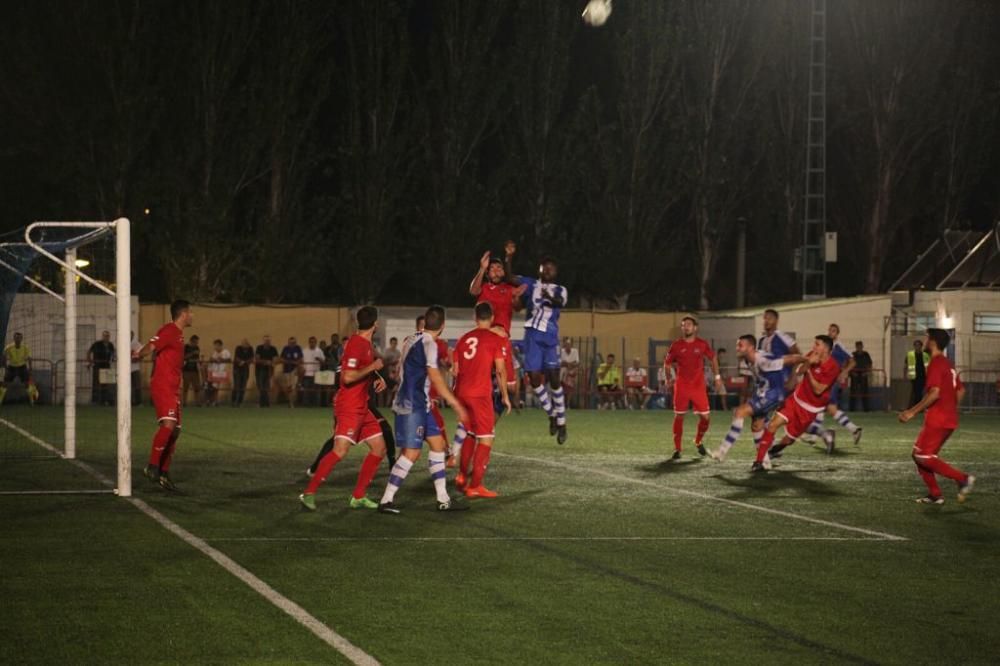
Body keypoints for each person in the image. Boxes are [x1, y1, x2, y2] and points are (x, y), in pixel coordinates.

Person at [377, 305, 470, 514]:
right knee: (412, 453)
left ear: (425, 322)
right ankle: (386, 500)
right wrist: (455, 403)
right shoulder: (430, 344)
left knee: (438, 445)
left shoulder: (411, 338)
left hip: (421, 403)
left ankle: (443, 499)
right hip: (412, 404)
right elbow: (435, 376)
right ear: (443, 326)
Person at [299, 307, 389, 511]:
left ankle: (358, 496)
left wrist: (376, 377)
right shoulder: (356, 344)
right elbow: (347, 377)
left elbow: (361, 370)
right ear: (375, 324)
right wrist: (373, 368)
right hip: (349, 406)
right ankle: (309, 493)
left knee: (379, 448)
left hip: (362, 406)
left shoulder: (366, 343)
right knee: (339, 451)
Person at [899, 328, 976, 505]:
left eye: (926, 337)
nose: (924, 340)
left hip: (939, 418)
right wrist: (949, 407)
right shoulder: (947, 363)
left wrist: (911, 412)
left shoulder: (936, 362)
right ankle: (935, 494)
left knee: (924, 456)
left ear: (932, 341)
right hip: (946, 418)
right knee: (918, 454)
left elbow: (934, 393)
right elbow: (961, 390)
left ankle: (963, 479)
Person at [505, 241, 569, 443]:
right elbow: (509, 278)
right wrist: (508, 257)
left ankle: (562, 422)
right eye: (545, 268)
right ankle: (551, 414)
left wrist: (548, 294)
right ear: (540, 270)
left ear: (556, 272)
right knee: (533, 380)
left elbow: (560, 303)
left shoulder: (560, 289)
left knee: (555, 379)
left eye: (551, 268)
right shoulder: (531, 283)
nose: (548, 270)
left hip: (550, 338)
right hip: (532, 335)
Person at [750, 335, 840, 472]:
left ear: (826, 349)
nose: (813, 347)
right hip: (795, 400)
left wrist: (808, 370)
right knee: (773, 424)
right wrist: (809, 363)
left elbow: (818, 389)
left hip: (809, 409)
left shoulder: (833, 367)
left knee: (788, 441)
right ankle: (759, 461)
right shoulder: (812, 355)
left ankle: (774, 451)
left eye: (817, 344)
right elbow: (799, 371)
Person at [709, 335, 804, 463]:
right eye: (737, 345)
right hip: (764, 393)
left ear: (751, 347)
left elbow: (793, 358)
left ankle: (721, 451)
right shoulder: (748, 360)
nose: (737, 348)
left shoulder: (763, 360)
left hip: (773, 394)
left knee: (740, 412)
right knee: (756, 426)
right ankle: (765, 462)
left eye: (740, 345)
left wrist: (806, 361)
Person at [451, 302, 512, 498]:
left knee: (470, 432)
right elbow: (501, 370)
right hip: (480, 394)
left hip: (461, 393)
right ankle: (475, 485)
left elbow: (455, 370)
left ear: (475, 318)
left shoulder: (463, 340)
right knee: (486, 438)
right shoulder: (496, 340)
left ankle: (461, 476)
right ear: (492, 318)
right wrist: (504, 396)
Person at [132, 300, 193, 491]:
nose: (192, 316)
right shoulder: (169, 330)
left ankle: (164, 473)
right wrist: (137, 355)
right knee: (169, 425)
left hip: (173, 388)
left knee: (175, 431)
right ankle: (152, 466)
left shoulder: (179, 335)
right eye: (190, 313)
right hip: (163, 386)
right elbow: (151, 346)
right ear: (183, 314)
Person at [665, 316, 724, 459]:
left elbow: (713, 358)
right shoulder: (676, 345)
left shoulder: (702, 344)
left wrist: (717, 378)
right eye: (684, 325)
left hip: (698, 387)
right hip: (682, 386)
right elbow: (667, 363)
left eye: (689, 324)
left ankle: (698, 441)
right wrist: (668, 379)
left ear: (695, 328)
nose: (686, 327)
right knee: (679, 416)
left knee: (706, 418)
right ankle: (677, 449)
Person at [801, 324, 863, 448]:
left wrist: (845, 372)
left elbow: (853, 361)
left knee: (823, 406)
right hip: (824, 381)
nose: (831, 332)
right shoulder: (825, 347)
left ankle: (815, 435)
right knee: (829, 408)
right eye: (830, 330)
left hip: (830, 383)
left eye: (834, 331)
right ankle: (853, 429)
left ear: (838, 333)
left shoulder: (839, 347)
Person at [758, 309, 800, 390]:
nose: (766, 321)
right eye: (765, 318)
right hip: (768, 383)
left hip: (783, 381)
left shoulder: (783, 337)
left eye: (770, 318)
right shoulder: (762, 341)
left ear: (776, 321)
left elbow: (798, 356)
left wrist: (792, 379)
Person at [1, 332, 36, 405]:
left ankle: (32, 400)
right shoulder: (8, 347)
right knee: (4, 384)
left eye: (19, 338)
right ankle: (0, 399)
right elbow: (3, 357)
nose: (18, 339)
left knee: (27, 383)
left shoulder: (25, 347)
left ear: (21, 339)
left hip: (22, 367)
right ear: (14, 338)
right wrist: (5, 367)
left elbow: (29, 358)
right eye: (16, 338)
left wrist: (30, 369)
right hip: (12, 367)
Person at [87, 330, 115, 406]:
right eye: (105, 336)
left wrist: (113, 360)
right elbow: (89, 351)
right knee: (97, 384)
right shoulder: (97, 344)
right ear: (103, 336)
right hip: (98, 366)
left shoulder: (110, 345)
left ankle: (105, 400)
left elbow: (113, 354)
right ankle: (96, 401)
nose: (106, 337)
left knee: (106, 384)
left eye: (108, 336)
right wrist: (90, 361)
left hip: (107, 366)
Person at [278, 337, 303, 407]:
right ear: (288, 343)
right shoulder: (285, 349)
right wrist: (291, 362)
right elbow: (281, 359)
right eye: (291, 343)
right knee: (288, 387)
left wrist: (296, 363)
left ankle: (292, 402)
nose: (292, 344)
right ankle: (290, 401)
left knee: (293, 387)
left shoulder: (298, 348)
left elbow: (300, 359)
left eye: (294, 343)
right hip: (286, 370)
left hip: (294, 370)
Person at [204, 339, 231, 407]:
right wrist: (213, 359)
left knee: (215, 388)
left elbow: (229, 359)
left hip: (221, 372)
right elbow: (211, 359)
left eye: (216, 346)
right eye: (215, 346)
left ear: (220, 345)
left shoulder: (226, 352)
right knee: (209, 387)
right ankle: (210, 401)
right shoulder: (214, 353)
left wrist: (222, 360)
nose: (215, 347)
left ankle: (215, 401)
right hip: (213, 371)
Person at [300, 336, 325, 407]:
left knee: (317, 392)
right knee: (306, 391)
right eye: (311, 342)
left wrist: (319, 359)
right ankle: (305, 405)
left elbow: (323, 362)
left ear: (316, 342)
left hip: (317, 374)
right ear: (309, 342)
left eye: (313, 342)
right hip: (307, 374)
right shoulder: (304, 351)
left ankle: (316, 405)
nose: (312, 343)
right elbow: (301, 361)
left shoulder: (319, 351)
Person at [254, 335, 278, 407]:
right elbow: (257, 359)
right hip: (259, 370)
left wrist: (273, 362)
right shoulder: (259, 348)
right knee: (260, 386)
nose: (267, 342)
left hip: (269, 370)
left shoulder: (273, 349)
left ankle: (266, 403)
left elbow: (276, 358)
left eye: (268, 341)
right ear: (263, 341)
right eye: (266, 341)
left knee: (267, 387)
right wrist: (266, 362)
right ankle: (262, 403)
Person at [850, 341, 873, 412]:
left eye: (860, 346)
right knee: (853, 392)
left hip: (863, 375)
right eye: (858, 346)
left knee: (865, 392)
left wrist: (867, 372)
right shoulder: (853, 354)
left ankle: (866, 409)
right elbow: (848, 364)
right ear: (856, 347)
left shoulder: (866, 354)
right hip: (854, 375)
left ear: (862, 346)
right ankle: (852, 409)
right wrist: (852, 372)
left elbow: (870, 364)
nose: (859, 347)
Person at [907, 339, 930, 408]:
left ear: (921, 346)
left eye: (919, 345)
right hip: (914, 377)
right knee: (916, 392)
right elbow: (905, 365)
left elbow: (929, 366)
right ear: (914, 346)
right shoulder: (910, 355)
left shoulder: (925, 355)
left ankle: (920, 406)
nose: (917, 347)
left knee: (922, 392)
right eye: (916, 345)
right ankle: (917, 406)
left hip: (924, 376)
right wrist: (904, 375)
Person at [231, 338, 254, 407]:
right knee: (236, 385)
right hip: (237, 369)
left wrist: (244, 362)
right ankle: (234, 401)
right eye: (244, 344)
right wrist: (241, 361)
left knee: (243, 386)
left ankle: (240, 402)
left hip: (245, 369)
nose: (245, 345)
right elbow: (236, 358)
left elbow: (252, 358)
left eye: (247, 344)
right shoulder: (238, 348)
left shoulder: (250, 349)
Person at [380, 336, 401, 407]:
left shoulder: (398, 352)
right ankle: (383, 405)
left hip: (395, 372)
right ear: (390, 343)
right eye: (393, 343)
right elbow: (384, 362)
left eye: (395, 343)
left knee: (393, 390)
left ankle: (389, 405)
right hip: (387, 372)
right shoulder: (386, 351)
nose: (394, 345)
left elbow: (399, 363)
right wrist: (391, 362)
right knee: (385, 390)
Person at [181, 334, 201, 407]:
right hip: (186, 370)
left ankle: (198, 402)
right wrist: (192, 354)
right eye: (195, 342)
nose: (196, 344)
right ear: (191, 341)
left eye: (197, 342)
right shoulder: (186, 347)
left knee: (197, 387)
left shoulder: (197, 348)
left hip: (195, 370)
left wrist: (197, 360)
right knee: (185, 387)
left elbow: (197, 358)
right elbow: (183, 357)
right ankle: (184, 402)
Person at [559, 337, 580, 408]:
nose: (567, 346)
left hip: (572, 373)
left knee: (570, 389)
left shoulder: (575, 351)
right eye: (566, 344)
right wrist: (570, 363)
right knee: (562, 388)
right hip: (562, 373)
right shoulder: (561, 351)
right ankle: (562, 404)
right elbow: (560, 363)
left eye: (569, 344)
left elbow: (577, 363)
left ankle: (568, 404)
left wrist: (567, 364)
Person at [129, 332, 143, 405]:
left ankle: (138, 402)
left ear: (133, 335)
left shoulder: (136, 344)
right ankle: (130, 402)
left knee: (137, 385)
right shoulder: (122, 342)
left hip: (135, 368)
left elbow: (143, 353)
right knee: (128, 387)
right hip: (126, 370)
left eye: (131, 334)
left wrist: (138, 359)